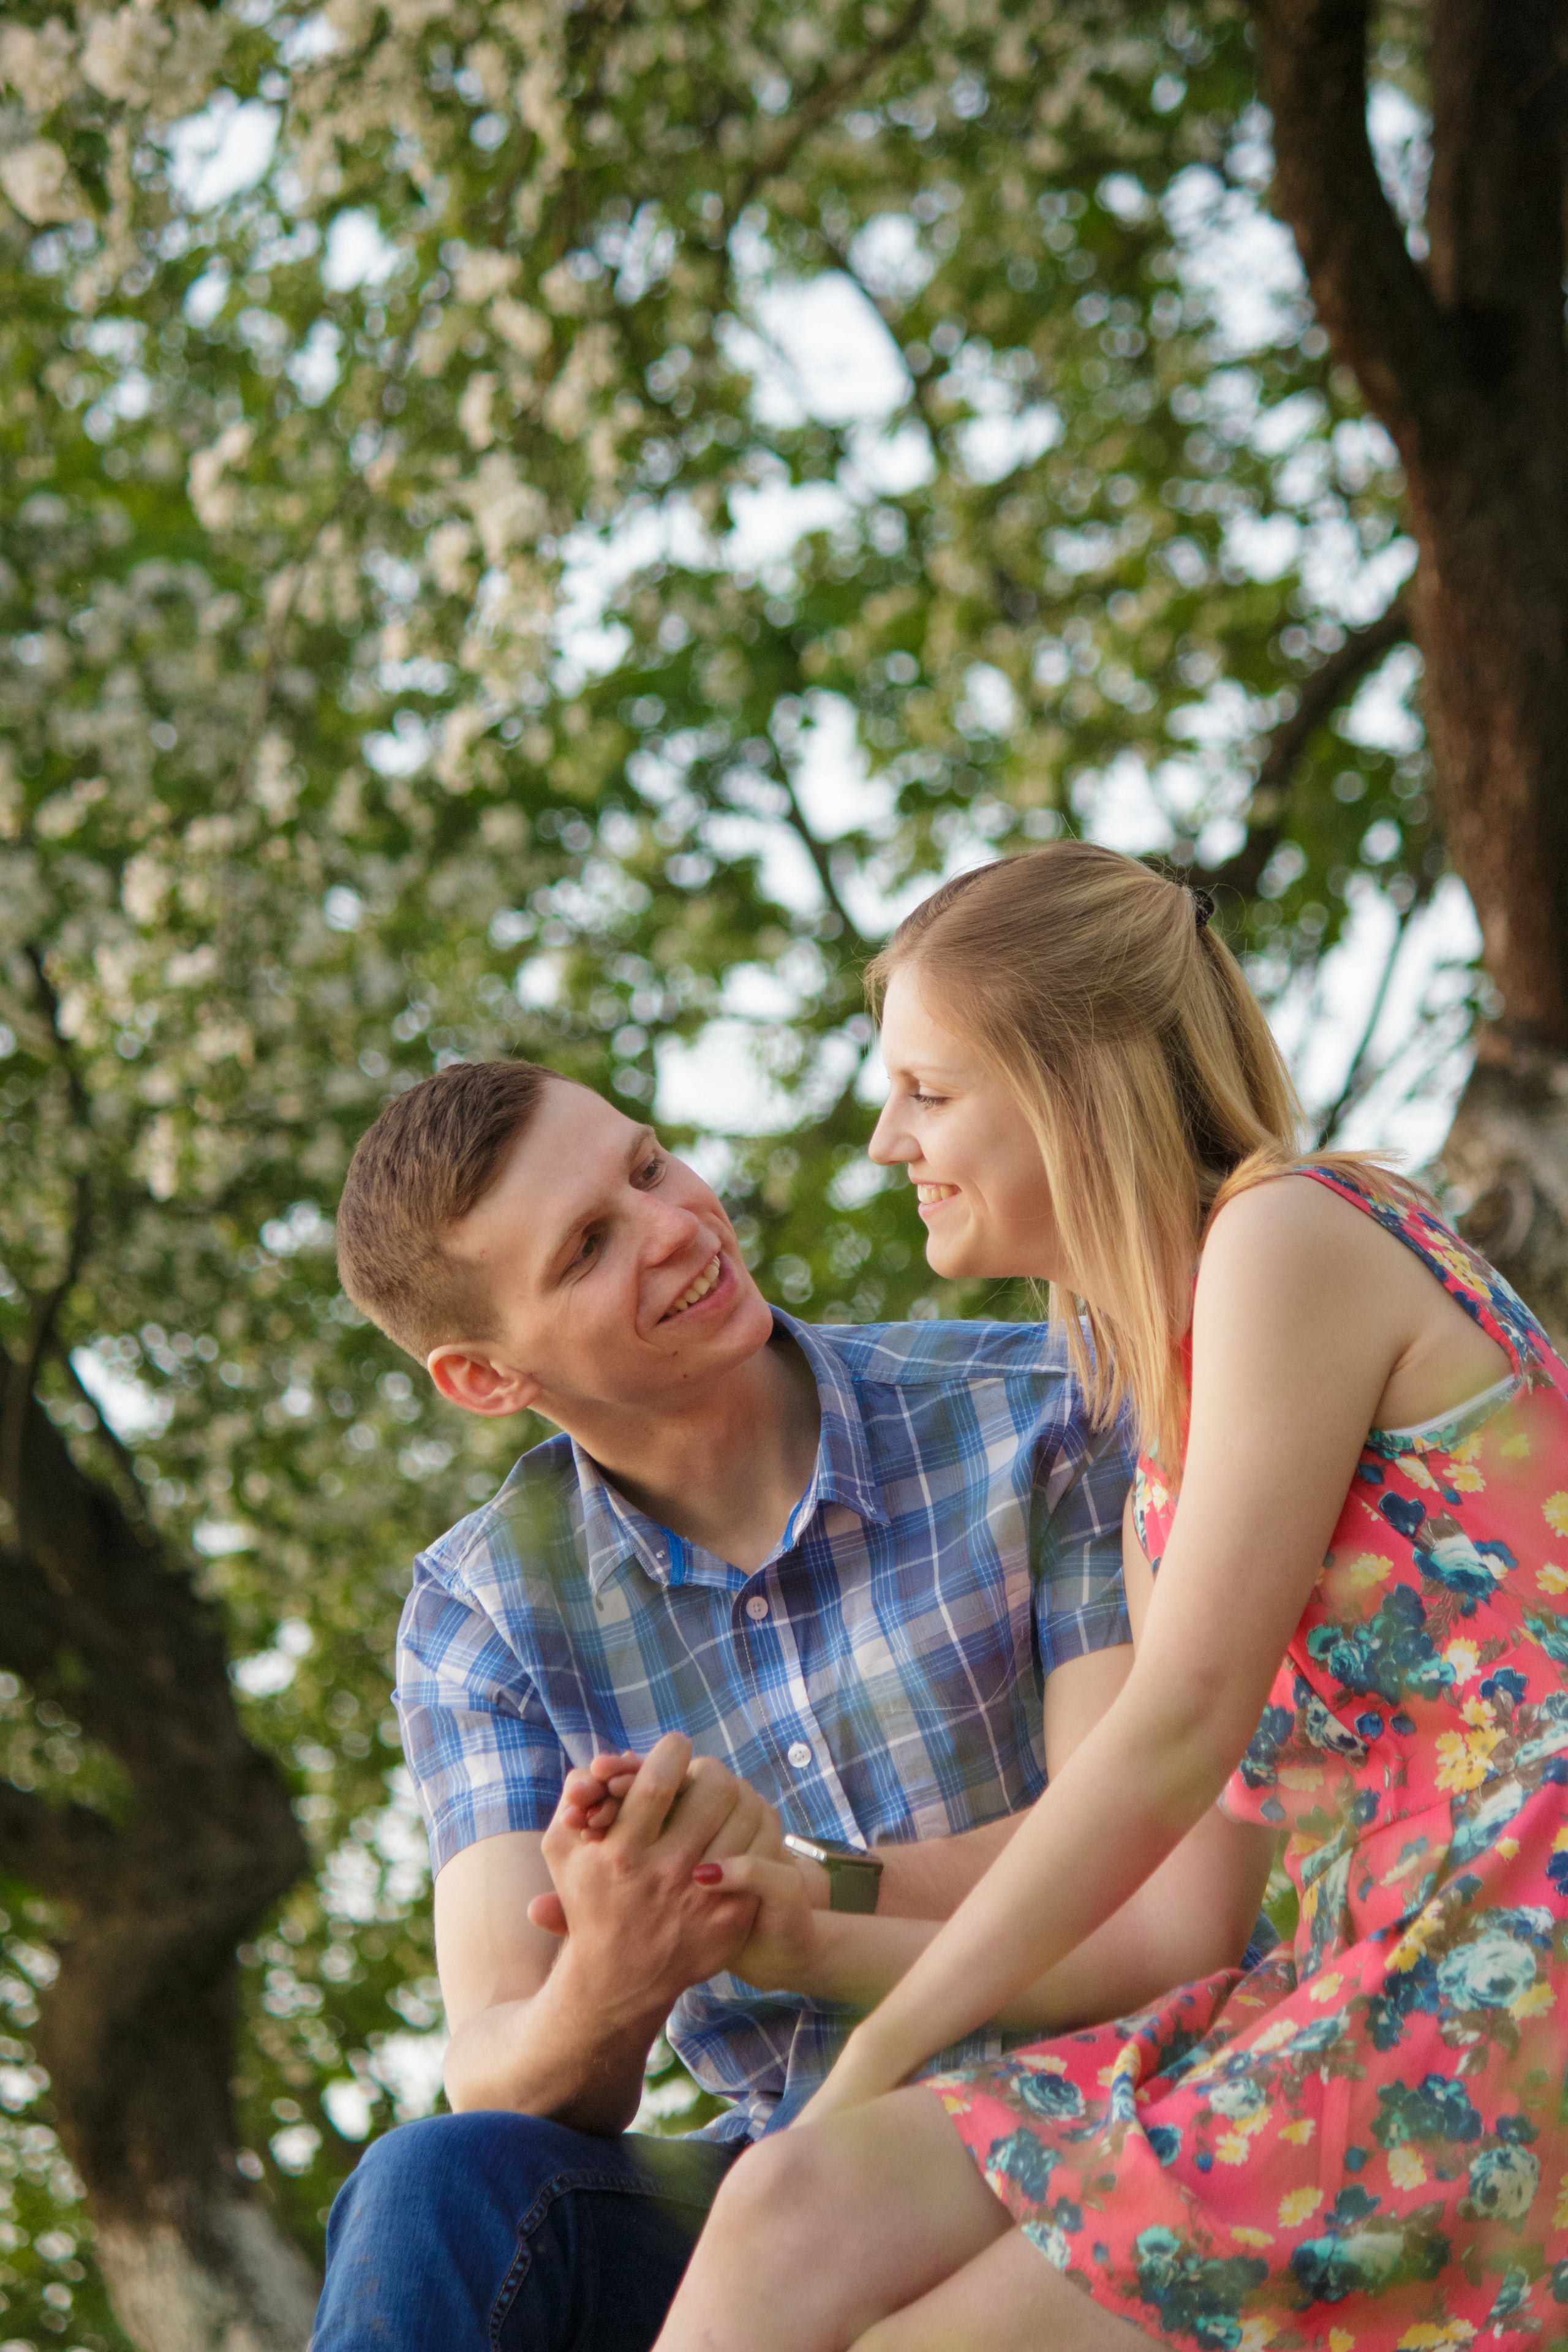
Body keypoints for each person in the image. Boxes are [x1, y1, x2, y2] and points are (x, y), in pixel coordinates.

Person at [647, 838, 1568, 2352]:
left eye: (927, 1092)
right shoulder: (1161, 1452)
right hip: (1348, 1975)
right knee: (789, 2200)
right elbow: (1176, 1925)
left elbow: (1176, 1727)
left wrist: (889, 2038)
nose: (888, 1144)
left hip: (1508, 1970)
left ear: (1069, 1081)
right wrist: (817, 1937)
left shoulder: (1290, 1233)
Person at [311, 1050, 1223, 2351]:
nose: (678, 1226)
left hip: (1090, 2104)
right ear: (485, 1377)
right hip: (766, 2191)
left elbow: (1124, 1848)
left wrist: (797, 1882)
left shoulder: (1041, 1416)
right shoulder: (481, 1614)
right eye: (587, 1247)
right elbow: (494, 2062)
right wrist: (617, 1970)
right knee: (430, 2185)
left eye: (647, 1166)